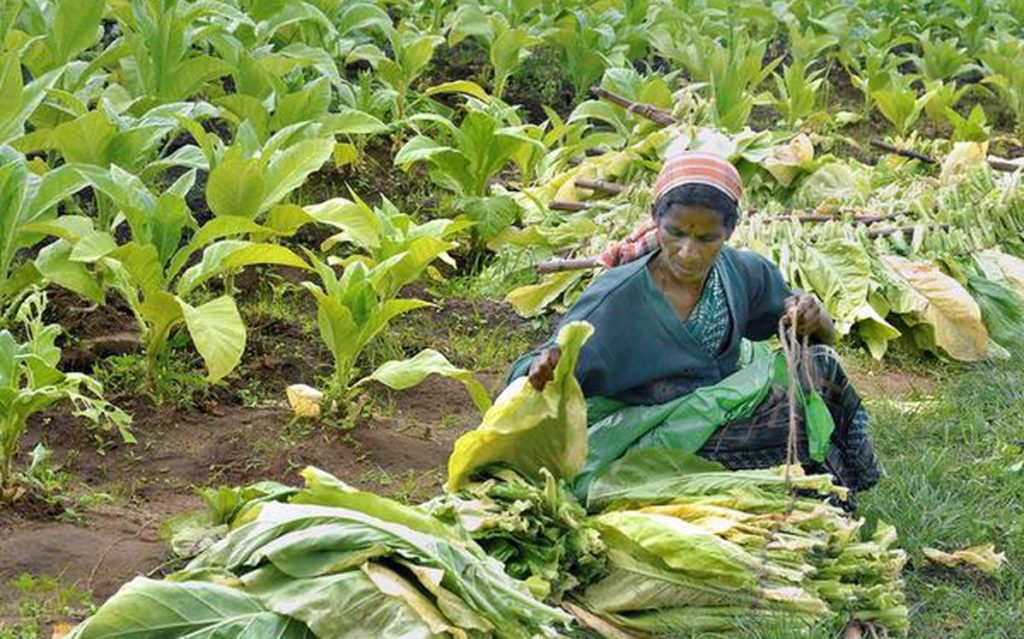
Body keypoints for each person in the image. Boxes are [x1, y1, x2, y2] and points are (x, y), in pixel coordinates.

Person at [507, 150, 881, 501]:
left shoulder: (739, 272)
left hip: (717, 406)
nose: (689, 252)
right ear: (655, 217)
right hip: (650, 433)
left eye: (707, 238)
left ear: (730, 229)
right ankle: (815, 493)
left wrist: (813, 314)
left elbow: (817, 334)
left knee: (821, 365)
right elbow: (534, 374)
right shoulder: (619, 297)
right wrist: (543, 370)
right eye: (676, 233)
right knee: (791, 424)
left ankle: (852, 485)